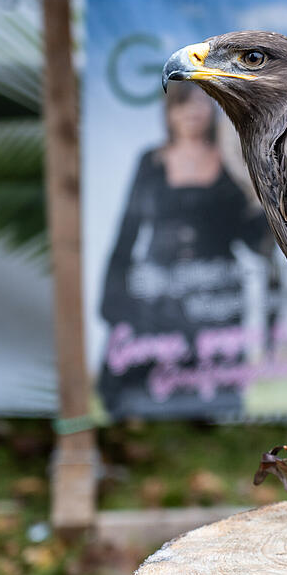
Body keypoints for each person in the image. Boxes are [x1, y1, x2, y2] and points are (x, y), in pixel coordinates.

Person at [98, 83, 274, 418]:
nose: (192, 112)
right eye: (182, 104)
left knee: (214, 395)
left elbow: (253, 240)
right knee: (140, 392)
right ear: (169, 112)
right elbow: (127, 232)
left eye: (201, 104)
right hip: (156, 298)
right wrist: (113, 297)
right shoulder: (149, 163)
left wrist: (260, 193)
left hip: (216, 298)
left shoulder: (232, 164)